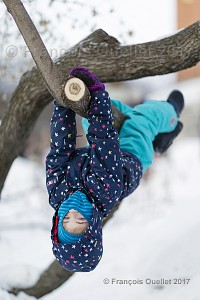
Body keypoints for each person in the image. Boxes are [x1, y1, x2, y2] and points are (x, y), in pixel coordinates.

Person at [46, 67, 184, 272]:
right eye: (81, 219)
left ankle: (154, 135)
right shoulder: (104, 191)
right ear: (93, 223)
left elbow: (60, 149)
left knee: (100, 112)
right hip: (130, 156)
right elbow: (103, 140)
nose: (73, 211)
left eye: (66, 218)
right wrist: (97, 92)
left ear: (57, 221)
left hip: (98, 154)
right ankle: (170, 117)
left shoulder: (57, 192)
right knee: (140, 121)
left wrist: (63, 105)